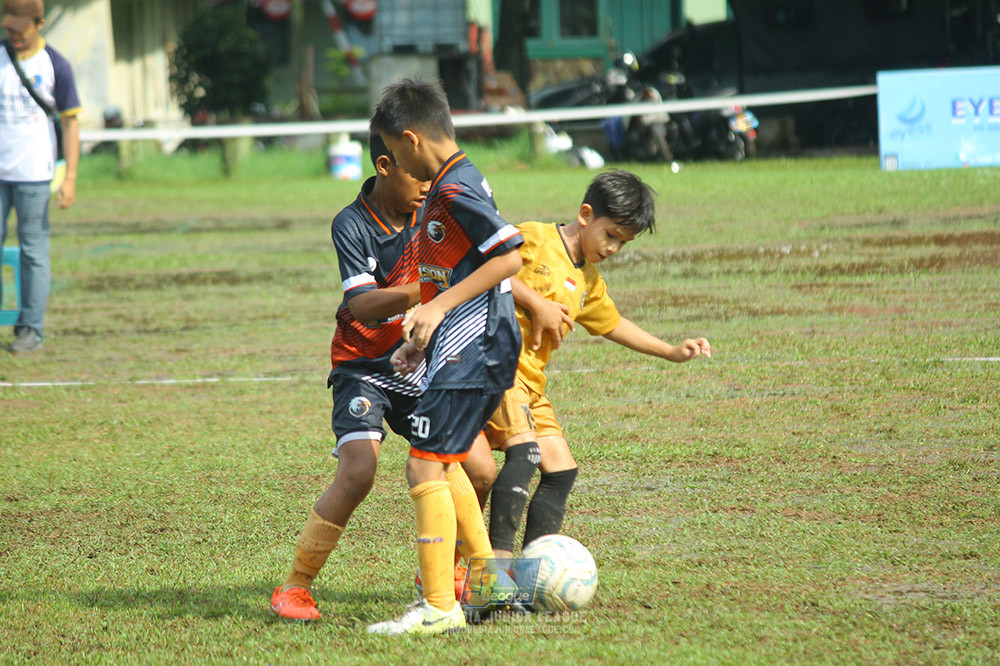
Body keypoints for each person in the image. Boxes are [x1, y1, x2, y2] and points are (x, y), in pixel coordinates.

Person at [481, 170, 712, 563]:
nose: (614, 249)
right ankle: (494, 577)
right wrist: (536, 304)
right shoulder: (533, 238)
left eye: (624, 242)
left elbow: (614, 324)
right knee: (525, 457)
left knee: (561, 471)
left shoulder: (587, 279)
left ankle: (532, 575)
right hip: (497, 372)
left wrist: (671, 352)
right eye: (611, 235)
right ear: (586, 214)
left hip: (532, 386)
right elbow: (482, 268)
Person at [365, 78, 523, 635]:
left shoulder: (455, 190)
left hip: (478, 344)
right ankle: (488, 584)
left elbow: (508, 256)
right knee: (439, 460)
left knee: (424, 462)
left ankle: (439, 607)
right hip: (462, 344)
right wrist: (419, 336)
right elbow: (447, 274)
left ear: (410, 140)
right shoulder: (449, 186)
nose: (393, 162)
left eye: (391, 150)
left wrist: (438, 312)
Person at [269, 133, 432, 622]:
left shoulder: (437, 213)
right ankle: (295, 587)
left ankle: (444, 573)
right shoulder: (352, 223)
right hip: (363, 366)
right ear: (385, 165)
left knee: (479, 467)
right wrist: (429, 288)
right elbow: (361, 303)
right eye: (417, 173)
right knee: (359, 469)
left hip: (422, 362)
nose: (428, 184)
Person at [1, 0, 80, 354]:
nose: (14, 35)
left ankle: (30, 330)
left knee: (34, 251)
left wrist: (71, 177)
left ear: (40, 23)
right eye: (8, 28)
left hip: (34, 174)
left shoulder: (56, 65)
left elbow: (70, 122)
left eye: (21, 28)